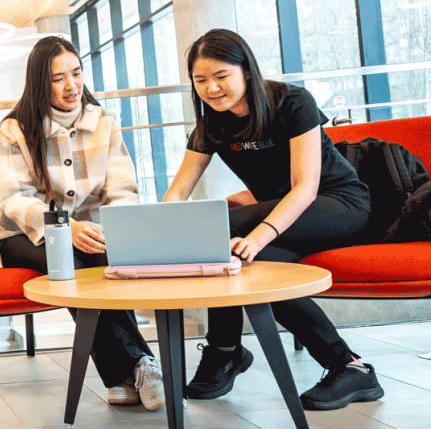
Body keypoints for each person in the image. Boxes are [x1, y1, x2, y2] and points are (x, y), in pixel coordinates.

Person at [162, 29, 384, 411]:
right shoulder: (211, 124)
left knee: (221, 226)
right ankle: (348, 367)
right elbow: (178, 192)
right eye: (200, 80)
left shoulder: (292, 101)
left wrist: (260, 234)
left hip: (339, 204)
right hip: (286, 218)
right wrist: (157, 232)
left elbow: (305, 186)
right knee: (253, 268)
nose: (212, 88)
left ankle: (222, 351)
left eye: (221, 76)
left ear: (246, 70)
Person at [0, 36, 166, 410]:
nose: (71, 86)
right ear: (40, 82)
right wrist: (63, 226)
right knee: (72, 262)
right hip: (25, 234)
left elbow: (122, 188)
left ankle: (121, 378)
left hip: (92, 231)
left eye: (76, 73)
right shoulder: (14, 129)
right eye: (58, 78)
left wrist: (118, 230)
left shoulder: (105, 122)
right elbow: (13, 199)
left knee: (106, 262)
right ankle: (141, 362)